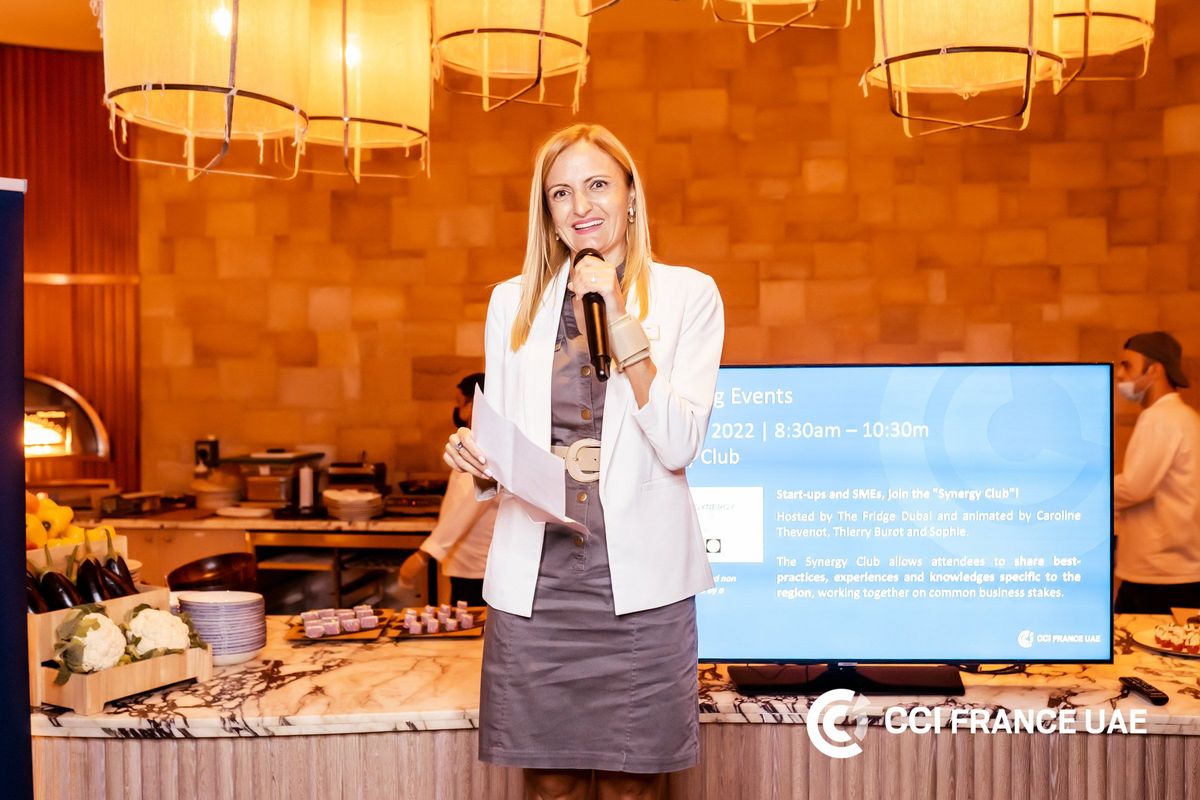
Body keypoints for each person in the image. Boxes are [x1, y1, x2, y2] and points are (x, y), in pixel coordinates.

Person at [443, 123, 724, 800]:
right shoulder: (511, 302)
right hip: (539, 583)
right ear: (547, 211)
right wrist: (478, 462)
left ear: (631, 194)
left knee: (635, 789)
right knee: (551, 785)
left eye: (598, 184)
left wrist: (620, 317)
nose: (581, 206)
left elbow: (679, 443)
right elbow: (507, 443)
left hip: (643, 587)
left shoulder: (689, 294)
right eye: (561, 192)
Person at [1113, 331, 1200, 613]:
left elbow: (1134, 488)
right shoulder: (1185, 417)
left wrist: (1085, 491)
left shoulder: (1160, 418)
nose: (1119, 375)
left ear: (1155, 370)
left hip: (1159, 577)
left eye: (1127, 365)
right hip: (1175, 572)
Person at [399, 373, 496, 607]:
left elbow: (467, 509)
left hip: (477, 568)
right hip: (465, 563)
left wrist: (424, 554)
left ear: (475, 404)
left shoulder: (487, 446)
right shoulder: (472, 440)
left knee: (473, 626)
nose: (457, 409)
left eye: (460, 402)